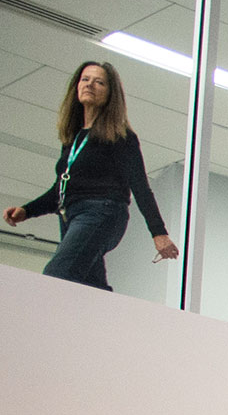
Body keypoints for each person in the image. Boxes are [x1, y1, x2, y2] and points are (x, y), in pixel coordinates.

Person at [3, 61, 177, 289]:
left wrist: (159, 234)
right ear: (76, 87)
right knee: (89, 286)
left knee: (57, 274)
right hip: (70, 216)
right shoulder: (73, 138)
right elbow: (61, 189)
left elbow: (141, 187)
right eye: (85, 80)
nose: (90, 85)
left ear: (110, 93)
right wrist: (27, 211)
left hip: (102, 213)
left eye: (99, 82)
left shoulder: (121, 136)